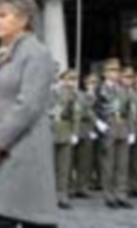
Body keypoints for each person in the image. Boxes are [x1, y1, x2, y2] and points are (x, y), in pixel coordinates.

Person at [0, 0, 58, 228]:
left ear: (23, 20)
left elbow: (29, 105)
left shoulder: (36, 53)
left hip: (25, 149)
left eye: (3, 16)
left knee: (17, 215)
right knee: (9, 214)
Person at [96, 58, 135, 209]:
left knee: (122, 164)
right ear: (105, 73)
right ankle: (109, 196)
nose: (115, 73)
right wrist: (99, 123)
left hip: (123, 128)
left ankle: (121, 195)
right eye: (111, 70)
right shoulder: (101, 89)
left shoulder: (124, 89)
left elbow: (129, 110)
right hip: (109, 127)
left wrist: (130, 129)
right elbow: (93, 108)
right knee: (108, 164)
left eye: (117, 70)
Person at [51, 70, 81, 209]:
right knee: (51, 167)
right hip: (51, 131)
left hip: (66, 131)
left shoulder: (75, 95)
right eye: (69, 79)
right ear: (61, 79)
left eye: (74, 79)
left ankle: (62, 196)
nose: (71, 82)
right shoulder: (51, 92)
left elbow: (76, 114)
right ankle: (49, 196)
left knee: (64, 167)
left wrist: (75, 132)